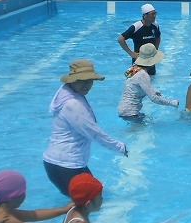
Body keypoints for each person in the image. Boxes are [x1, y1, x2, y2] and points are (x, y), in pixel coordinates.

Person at [42, 59, 128, 197]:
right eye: (81, 80)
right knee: (89, 202)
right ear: (72, 80)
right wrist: (119, 147)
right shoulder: (72, 104)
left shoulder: (66, 92)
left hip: (64, 163)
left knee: (94, 197)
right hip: (65, 165)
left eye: (90, 80)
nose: (87, 85)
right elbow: (93, 132)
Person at [118, 43, 178, 118]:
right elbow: (154, 98)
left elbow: (133, 88)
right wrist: (172, 103)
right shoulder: (143, 75)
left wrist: (152, 91)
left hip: (124, 108)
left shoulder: (133, 68)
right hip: (131, 112)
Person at [117, 3, 161, 76]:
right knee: (135, 80)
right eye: (152, 14)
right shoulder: (136, 27)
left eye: (155, 14)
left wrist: (155, 50)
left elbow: (158, 37)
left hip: (151, 60)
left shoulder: (155, 25)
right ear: (144, 15)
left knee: (151, 80)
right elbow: (120, 39)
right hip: (138, 60)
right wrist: (131, 53)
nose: (154, 16)